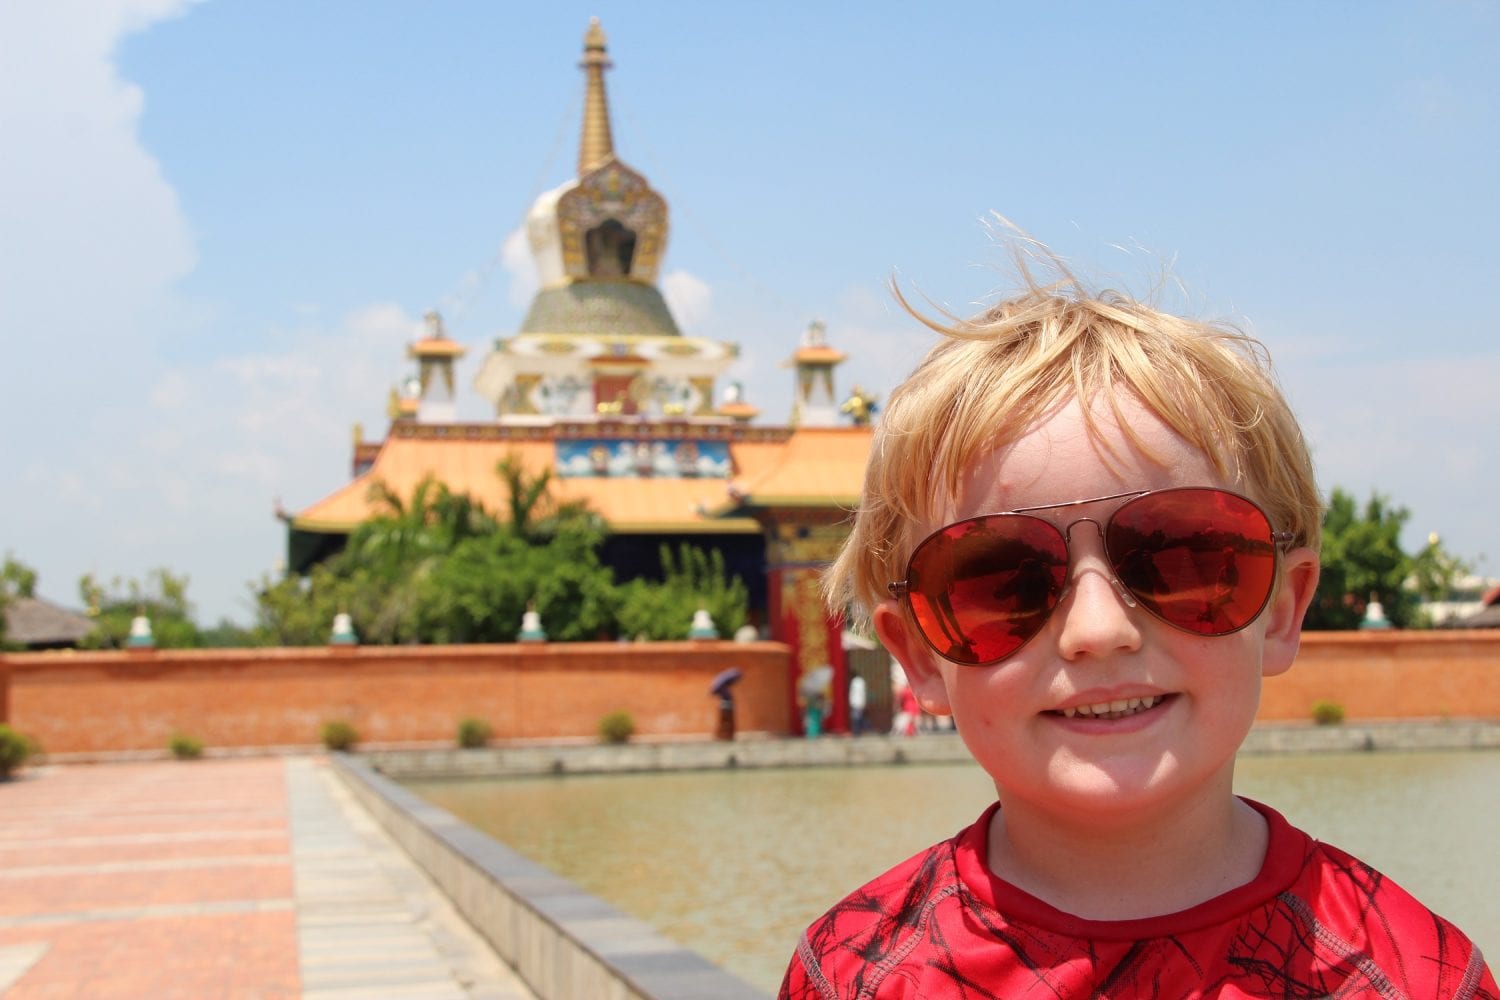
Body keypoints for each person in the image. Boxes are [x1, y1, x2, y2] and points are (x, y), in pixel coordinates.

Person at [779, 249, 1497, 998]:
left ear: (1283, 608)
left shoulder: (1416, 977)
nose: (1098, 628)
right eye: (1004, 580)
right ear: (918, 655)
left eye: (1185, 554)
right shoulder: (852, 974)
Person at [848, 668, 868, 735]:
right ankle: (859, 730)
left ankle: (858, 731)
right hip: (859, 702)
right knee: (858, 717)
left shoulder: (855, 681)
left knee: (857, 718)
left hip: (856, 702)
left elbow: (854, 693)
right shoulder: (860, 681)